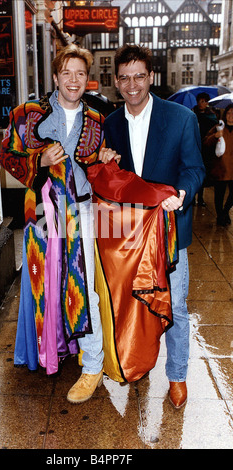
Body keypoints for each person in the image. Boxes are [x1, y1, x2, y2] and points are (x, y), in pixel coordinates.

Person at [0, 44, 119, 404]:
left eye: (80, 73)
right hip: (42, 214)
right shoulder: (28, 114)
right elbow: (7, 155)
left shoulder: (98, 119)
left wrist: (108, 156)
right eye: (66, 72)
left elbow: (100, 164)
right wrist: (39, 158)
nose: (73, 79)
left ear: (87, 79)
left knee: (84, 287)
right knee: (46, 284)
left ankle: (92, 365)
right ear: (55, 76)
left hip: (82, 214)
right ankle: (52, 349)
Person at [104, 44, 205, 409]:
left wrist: (182, 192)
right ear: (117, 82)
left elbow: (195, 169)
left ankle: (177, 375)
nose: (133, 85)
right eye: (125, 78)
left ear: (151, 78)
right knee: (138, 306)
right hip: (131, 237)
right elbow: (111, 179)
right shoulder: (111, 124)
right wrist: (106, 160)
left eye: (139, 76)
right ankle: (140, 364)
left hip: (169, 232)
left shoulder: (181, 118)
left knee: (175, 306)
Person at [203, 103, 233, 226]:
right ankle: (220, 215)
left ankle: (225, 212)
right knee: (219, 195)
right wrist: (215, 136)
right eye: (229, 113)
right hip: (220, 168)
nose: (231, 116)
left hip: (232, 168)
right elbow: (205, 142)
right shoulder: (218, 127)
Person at [192, 92, 218, 205]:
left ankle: (201, 198)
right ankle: (192, 198)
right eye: (199, 101)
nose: (201, 104)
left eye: (203, 101)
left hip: (205, 149)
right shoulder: (192, 114)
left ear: (207, 103)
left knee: (203, 173)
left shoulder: (211, 116)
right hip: (193, 147)